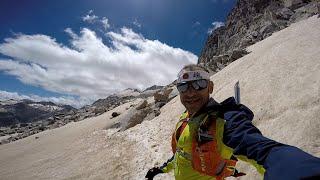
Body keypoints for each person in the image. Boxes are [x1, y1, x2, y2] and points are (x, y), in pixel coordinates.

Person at [145, 64, 320, 180]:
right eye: (184, 87)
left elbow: (260, 148)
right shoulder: (185, 117)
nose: (190, 93)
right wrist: (162, 169)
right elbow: (182, 152)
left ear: (211, 87)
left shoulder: (225, 120)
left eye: (198, 84)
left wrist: (302, 171)